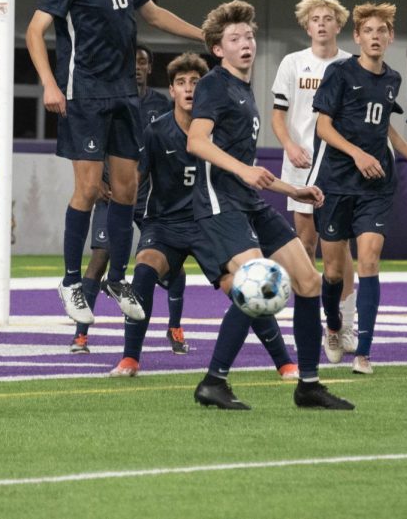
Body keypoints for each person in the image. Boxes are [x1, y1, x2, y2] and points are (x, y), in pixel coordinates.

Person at [25, 0, 203, 328]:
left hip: (125, 95)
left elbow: (154, 14)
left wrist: (205, 36)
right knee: (88, 190)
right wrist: (49, 85)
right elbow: (34, 32)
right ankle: (69, 281)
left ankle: (117, 279)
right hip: (84, 93)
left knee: (126, 190)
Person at [187, 0, 352, 410]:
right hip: (219, 200)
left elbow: (249, 168)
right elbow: (196, 141)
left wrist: (289, 190)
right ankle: (213, 381)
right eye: (234, 38)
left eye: (248, 36)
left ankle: (309, 385)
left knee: (308, 281)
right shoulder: (213, 84)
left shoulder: (243, 90)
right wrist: (244, 173)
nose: (245, 43)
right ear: (218, 49)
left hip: (249, 200)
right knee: (254, 282)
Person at [109, 52, 299, 380]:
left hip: (208, 222)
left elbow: (246, 176)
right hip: (165, 225)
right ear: (171, 91)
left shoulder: (219, 134)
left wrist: (292, 190)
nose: (189, 89)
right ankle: (129, 360)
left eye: (195, 82)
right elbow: (136, 180)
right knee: (143, 272)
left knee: (243, 287)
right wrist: (137, 216)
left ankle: (285, 363)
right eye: (181, 83)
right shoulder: (156, 132)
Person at [309, 2, 407, 375]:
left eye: (382, 31)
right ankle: (333, 326)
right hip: (336, 183)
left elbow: (385, 127)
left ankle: (363, 352)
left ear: (390, 37)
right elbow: (323, 127)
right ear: (358, 37)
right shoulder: (339, 72)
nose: (376, 37)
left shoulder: (392, 80)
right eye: (369, 31)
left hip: (377, 186)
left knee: (368, 261)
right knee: (333, 272)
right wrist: (357, 154)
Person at [70, 44, 190, 354]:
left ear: (150, 68)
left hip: (148, 198)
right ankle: (81, 334)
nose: (136, 66)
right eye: (132, 61)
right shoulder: (111, 101)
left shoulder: (162, 105)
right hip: (113, 194)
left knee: (173, 265)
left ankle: (174, 327)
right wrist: (97, 182)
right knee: (98, 260)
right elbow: (91, 143)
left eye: (142, 62)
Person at [270, 0, 356, 351]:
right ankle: (309, 314)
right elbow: (278, 115)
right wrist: (289, 145)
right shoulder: (292, 63)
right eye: (315, 19)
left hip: (338, 167)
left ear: (339, 25)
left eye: (328, 18)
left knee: (340, 250)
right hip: (301, 164)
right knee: (305, 244)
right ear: (307, 27)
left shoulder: (352, 64)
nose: (321, 24)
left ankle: (345, 323)